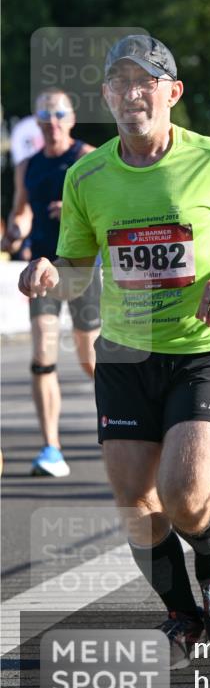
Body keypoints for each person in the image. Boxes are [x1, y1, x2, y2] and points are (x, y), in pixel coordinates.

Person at [18, 35, 210, 666]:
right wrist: (52, 272)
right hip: (126, 357)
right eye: (119, 84)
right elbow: (80, 267)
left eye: (145, 81)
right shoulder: (89, 174)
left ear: (171, 92)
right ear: (106, 96)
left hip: (199, 349)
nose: (132, 94)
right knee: (136, 504)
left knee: (185, 493)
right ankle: (181, 613)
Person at [2, 89, 100, 477]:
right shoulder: (27, 164)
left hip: (79, 268)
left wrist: (73, 212)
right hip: (41, 269)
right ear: (38, 122)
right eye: (46, 116)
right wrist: (14, 230)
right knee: (42, 357)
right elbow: (21, 211)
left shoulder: (88, 158)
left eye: (60, 114)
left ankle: (126, 422)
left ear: (71, 118)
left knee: (90, 361)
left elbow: (103, 216)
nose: (53, 121)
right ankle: (51, 448)